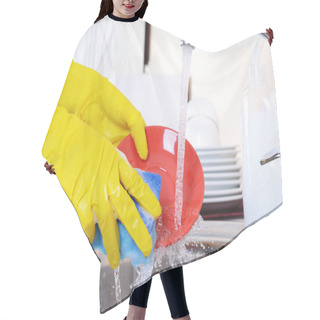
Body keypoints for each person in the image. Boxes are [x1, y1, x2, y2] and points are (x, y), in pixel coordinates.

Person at [44, 1, 274, 319]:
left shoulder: (152, 37)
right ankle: (168, 316)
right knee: (150, 233)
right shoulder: (94, 38)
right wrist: (65, 151)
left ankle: (141, 315)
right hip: (112, 158)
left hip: (154, 150)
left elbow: (196, 69)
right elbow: (73, 105)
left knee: (163, 231)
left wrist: (253, 50)